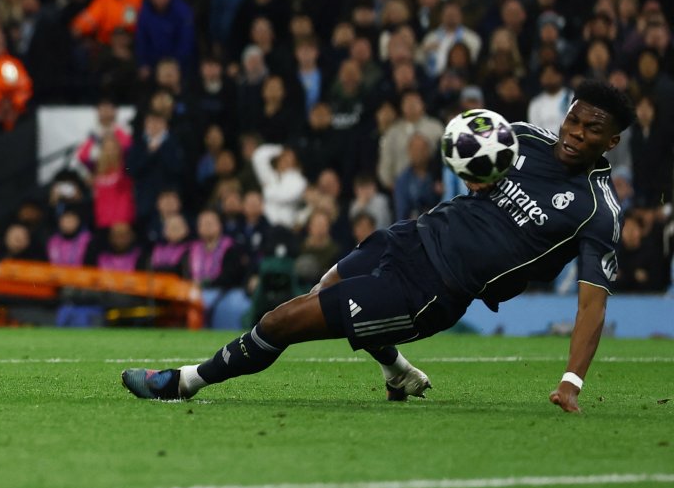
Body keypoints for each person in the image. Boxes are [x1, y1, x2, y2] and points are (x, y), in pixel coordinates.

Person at [122, 81, 633, 415]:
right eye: (574, 120)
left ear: (610, 143)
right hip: (408, 236)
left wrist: (571, 381)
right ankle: (397, 371)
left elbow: (592, 305)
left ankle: (184, 382)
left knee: (282, 320)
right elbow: (476, 172)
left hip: (432, 290)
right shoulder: (520, 138)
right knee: (328, 287)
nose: (575, 134)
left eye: (592, 130)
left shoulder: (597, 210)